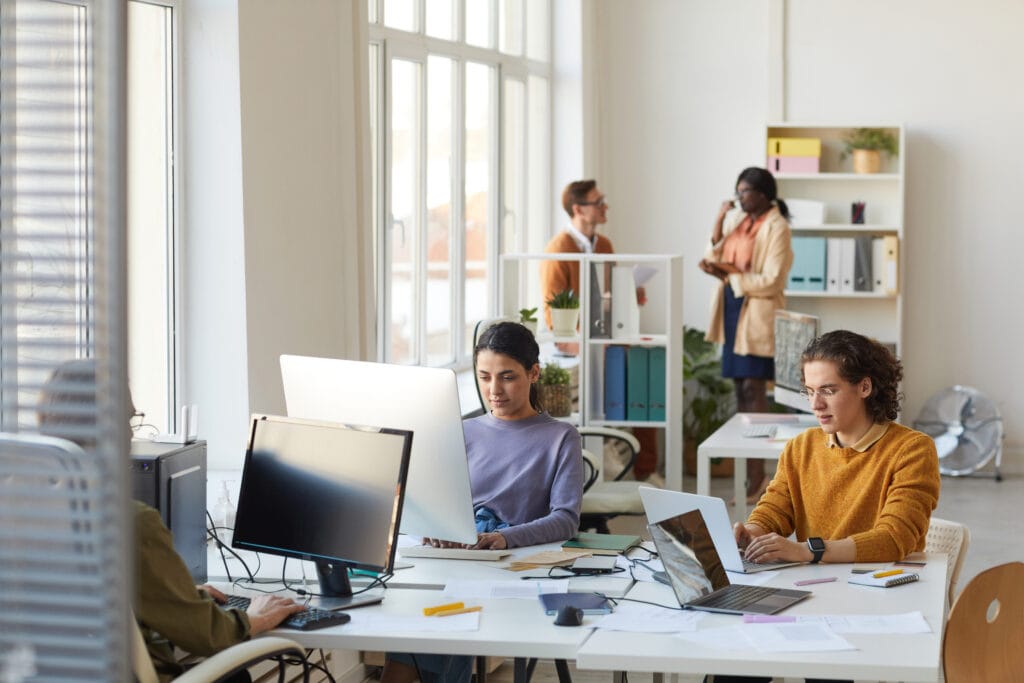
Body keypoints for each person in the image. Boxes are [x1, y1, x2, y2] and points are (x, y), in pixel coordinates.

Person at [37, 359, 305, 681]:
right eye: (129, 419)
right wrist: (253, 618)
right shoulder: (129, 523)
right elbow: (209, 637)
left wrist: (180, 597)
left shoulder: (25, 513)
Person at [710, 331, 940, 683]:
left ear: (865, 387)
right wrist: (752, 532)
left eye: (828, 391)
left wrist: (807, 551)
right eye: (810, 392)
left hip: (870, 602)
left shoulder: (911, 450)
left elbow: (895, 538)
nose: (815, 404)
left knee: (826, 673)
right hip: (810, 592)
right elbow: (776, 508)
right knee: (735, 664)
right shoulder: (802, 447)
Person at [381, 321, 583, 683]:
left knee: (432, 630)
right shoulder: (463, 431)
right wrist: (435, 528)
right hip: (452, 560)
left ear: (533, 373)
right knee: (412, 624)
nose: (494, 390)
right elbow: (429, 501)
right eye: (484, 376)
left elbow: (566, 519)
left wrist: (505, 538)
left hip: (510, 567)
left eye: (507, 377)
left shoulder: (560, 437)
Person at [541, 179, 656, 480]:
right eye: (598, 201)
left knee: (647, 379)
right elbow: (555, 316)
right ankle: (608, 469)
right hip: (575, 344)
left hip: (605, 340)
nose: (605, 206)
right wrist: (590, 342)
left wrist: (630, 295)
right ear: (578, 209)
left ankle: (645, 472)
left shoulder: (603, 245)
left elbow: (610, 297)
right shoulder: (559, 249)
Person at [699, 167, 793, 504]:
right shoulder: (739, 222)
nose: (741, 197)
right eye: (738, 191)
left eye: (747, 191)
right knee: (741, 389)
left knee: (755, 389)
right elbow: (714, 256)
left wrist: (736, 278)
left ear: (765, 194)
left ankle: (761, 476)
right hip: (733, 309)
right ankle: (751, 476)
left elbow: (772, 279)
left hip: (756, 312)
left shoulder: (777, 227)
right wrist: (718, 220)